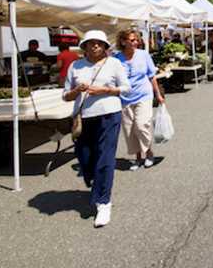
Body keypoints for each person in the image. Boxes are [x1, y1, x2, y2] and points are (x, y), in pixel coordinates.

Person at [63, 30, 130, 228]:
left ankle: (103, 202)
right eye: (90, 43)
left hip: (109, 115)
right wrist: (76, 91)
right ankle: (96, 182)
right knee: (85, 157)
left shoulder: (114, 64)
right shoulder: (76, 66)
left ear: (105, 47)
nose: (95, 46)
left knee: (105, 158)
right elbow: (65, 95)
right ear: (84, 47)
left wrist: (106, 90)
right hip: (83, 118)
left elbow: (126, 88)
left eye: (99, 43)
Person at [115, 29, 165, 171]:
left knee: (142, 125)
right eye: (132, 40)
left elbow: (151, 76)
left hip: (144, 95)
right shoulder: (117, 59)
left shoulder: (143, 55)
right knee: (130, 130)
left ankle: (149, 153)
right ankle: (137, 158)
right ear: (123, 42)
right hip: (125, 98)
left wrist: (158, 94)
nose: (135, 42)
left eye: (136, 39)